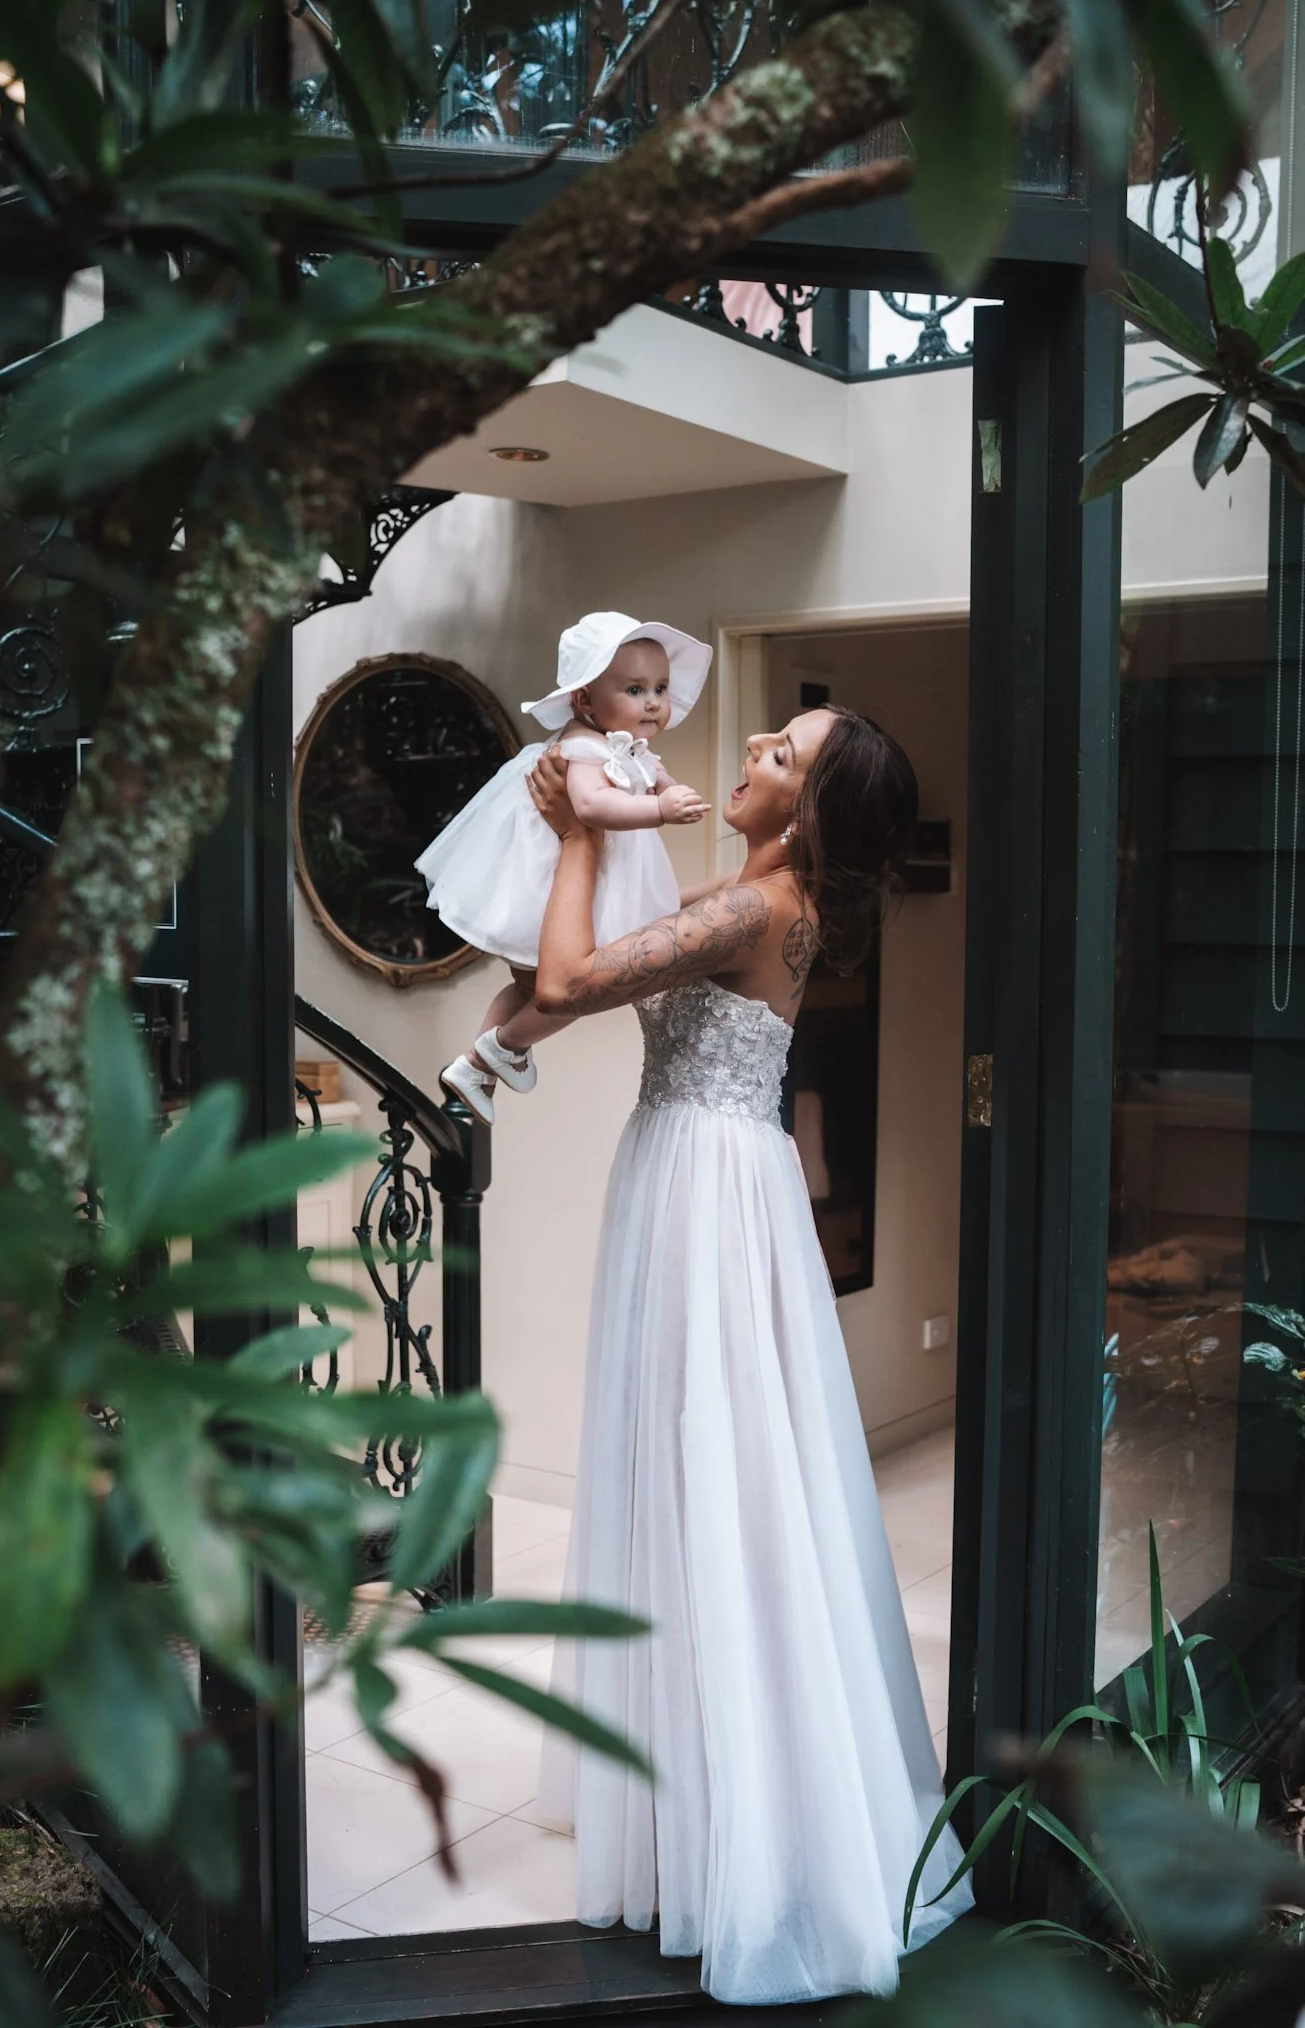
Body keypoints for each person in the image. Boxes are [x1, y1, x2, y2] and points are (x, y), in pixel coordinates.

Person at [526, 707, 973, 2006]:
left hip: (704, 1193)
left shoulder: (744, 911)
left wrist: (568, 838)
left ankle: (757, 1821)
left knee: (715, 1478)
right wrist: (606, 819)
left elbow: (563, 984)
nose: (752, 751)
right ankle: (703, 1793)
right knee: (707, 1472)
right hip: (709, 1174)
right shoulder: (753, 896)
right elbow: (595, 963)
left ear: (810, 813)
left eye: (779, 754)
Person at [416, 612, 712, 1123]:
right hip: (557, 888)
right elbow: (592, 807)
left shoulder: (628, 749)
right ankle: (496, 1052)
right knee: (582, 989)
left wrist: (666, 788)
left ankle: (479, 1066)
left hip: (590, 882)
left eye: (661, 688)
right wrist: (661, 809)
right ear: (584, 700)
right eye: (636, 688)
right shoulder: (582, 748)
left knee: (536, 989)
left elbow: (654, 774)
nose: (654, 702)